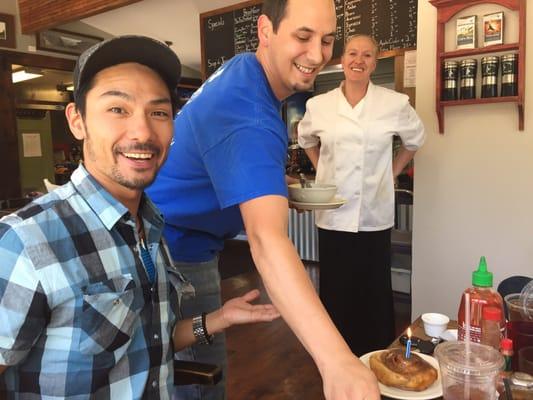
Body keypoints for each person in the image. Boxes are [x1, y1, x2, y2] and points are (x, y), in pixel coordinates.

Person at [0, 35, 279, 399]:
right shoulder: (26, 241)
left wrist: (218, 319)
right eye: (118, 109)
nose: (143, 132)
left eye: (159, 112)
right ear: (77, 120)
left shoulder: (150, 227)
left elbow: (148, 343)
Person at [147, 1, 381, 399]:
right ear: (266, 30)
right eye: (302, 36)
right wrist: (338, 362)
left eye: (326, 40)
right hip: (173, 257)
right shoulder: (251, 114)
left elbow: (221, 158)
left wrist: (274, 184)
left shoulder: (242, 68)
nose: (316, 54)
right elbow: (267, 241)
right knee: (197, 385)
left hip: (165, 241)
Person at [297, 34, 425, 356]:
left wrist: (391, 172)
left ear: (375, 60)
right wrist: (321, 169)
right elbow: (305, 139)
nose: (359, 60)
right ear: (342, 59)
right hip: (333, 213)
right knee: (336, 289)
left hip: (373, 213)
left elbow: (415, 139)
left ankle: (376, 357)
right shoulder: (319, 105)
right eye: (353, 53)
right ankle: (336, 356)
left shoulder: (393, 103)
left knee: (374, 289)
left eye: (367, 55)